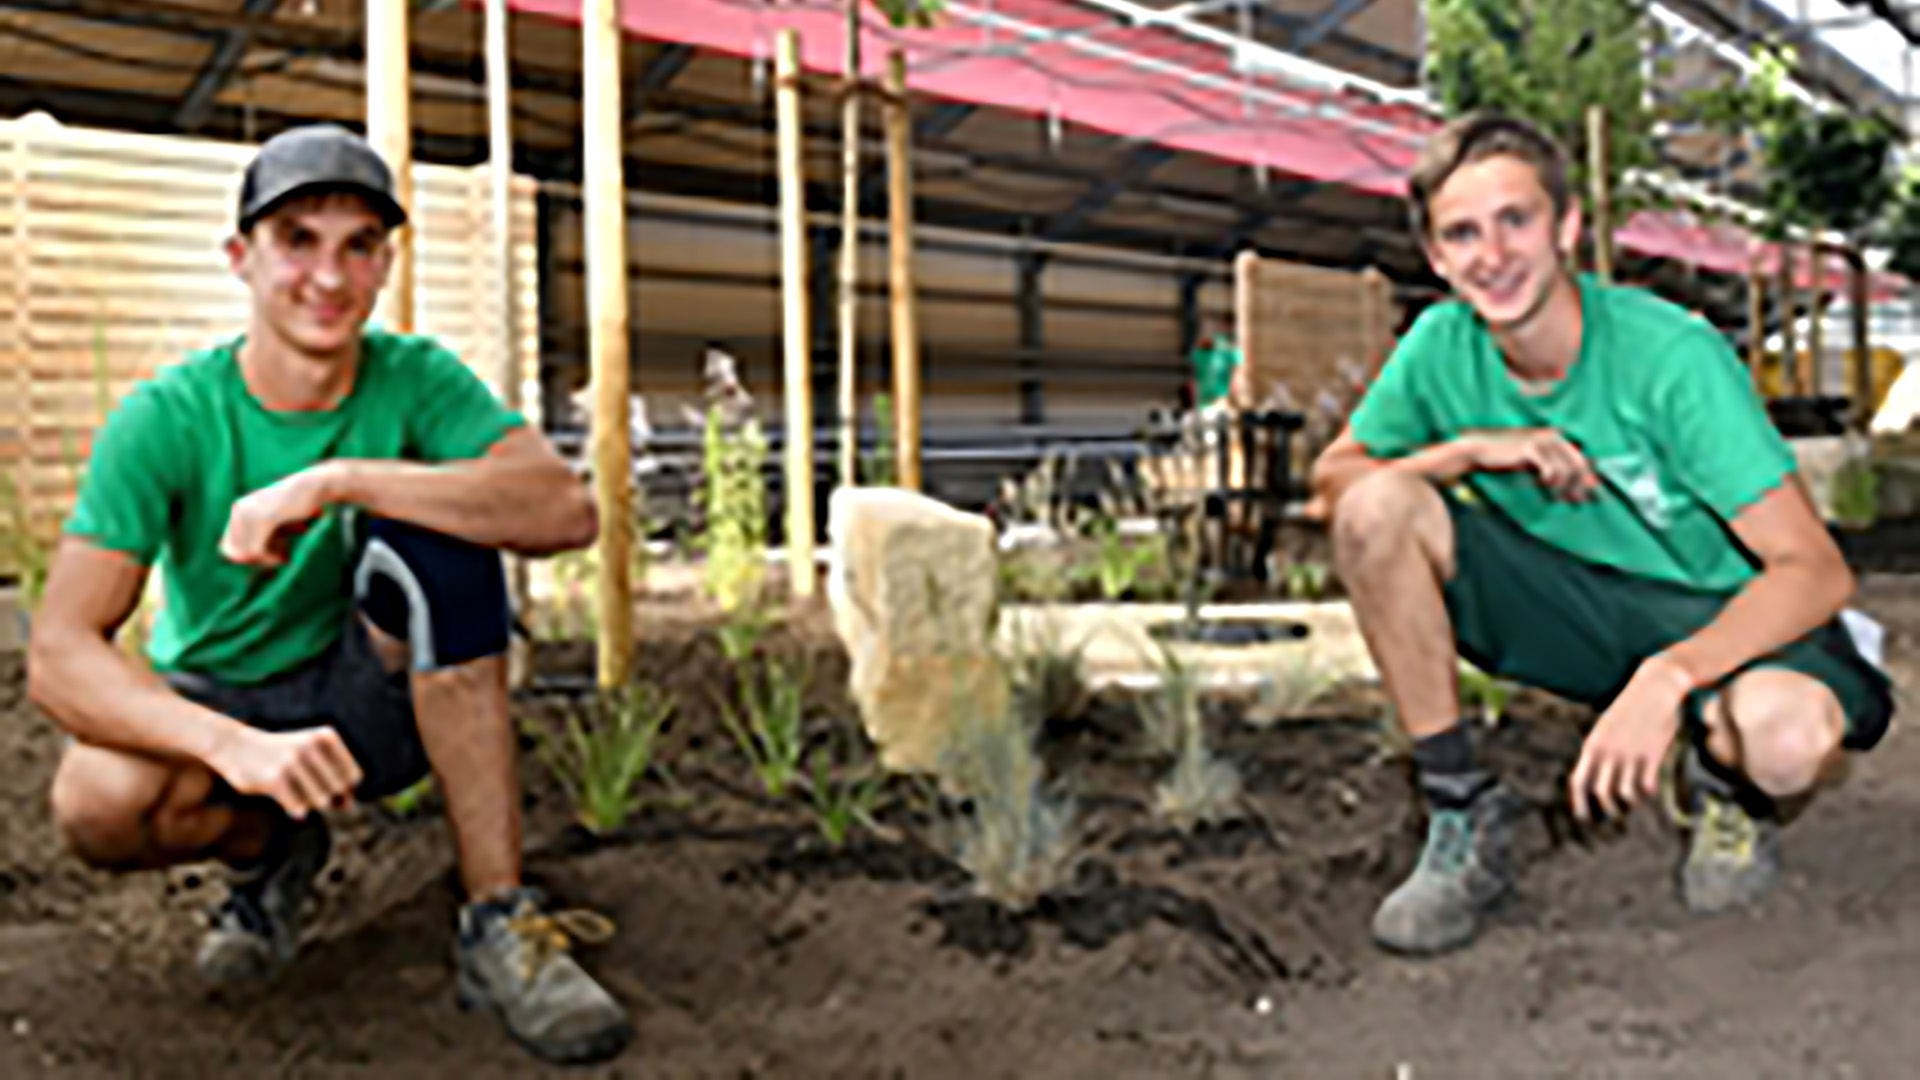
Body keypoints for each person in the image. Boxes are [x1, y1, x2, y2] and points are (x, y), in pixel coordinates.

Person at [27, 125, 633, 1064]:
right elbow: (60, 651)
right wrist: (235, 746)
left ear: (385, 262)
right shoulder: (167, 417)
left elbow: (564, 509)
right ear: (242, 258)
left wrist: (341, 479)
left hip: (365, 705)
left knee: (444, 545)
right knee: (96, 800)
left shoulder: (415, 376)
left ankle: (498, 921)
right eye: (297, 240)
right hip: (220, 705)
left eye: (359, 245)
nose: (330, 275)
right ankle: (271, 856)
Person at [1310, 113, 1893, 957]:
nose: (1494, 254)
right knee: (1378, 504)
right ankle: (1459, 816)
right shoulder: (1439, 346)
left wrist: (1670, 676)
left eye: (1517, 220)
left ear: (1568, 227)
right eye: (1463, 234)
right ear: (1437, 258)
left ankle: (1726, 781)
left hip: (1718, 611)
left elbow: (1815, 570)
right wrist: (1473, 450)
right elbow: (1335, 483)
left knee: (1787, 741)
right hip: (1569, 607)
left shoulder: (1672, 357)